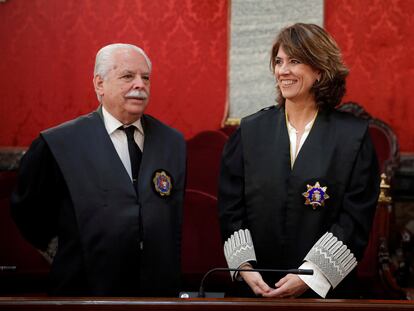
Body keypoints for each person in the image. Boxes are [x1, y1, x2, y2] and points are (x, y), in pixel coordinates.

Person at [218, 23, 380, 298]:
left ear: (319, 70)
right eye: (279, 61)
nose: (283, 70)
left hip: (324, 293)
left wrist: (310, 276)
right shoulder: (249, 131)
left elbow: (355, 218)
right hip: (257, 288)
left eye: (295, 61)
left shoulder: (354, 137)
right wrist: (245, 267)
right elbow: (230, 207)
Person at [10, 43, 186, 296]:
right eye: (128, 76)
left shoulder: (172, 142)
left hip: (157, 292)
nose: (140, 85)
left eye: (145, 77)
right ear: (99, 84)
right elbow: (29, 214)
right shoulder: (59, 143)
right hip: (84, 290)